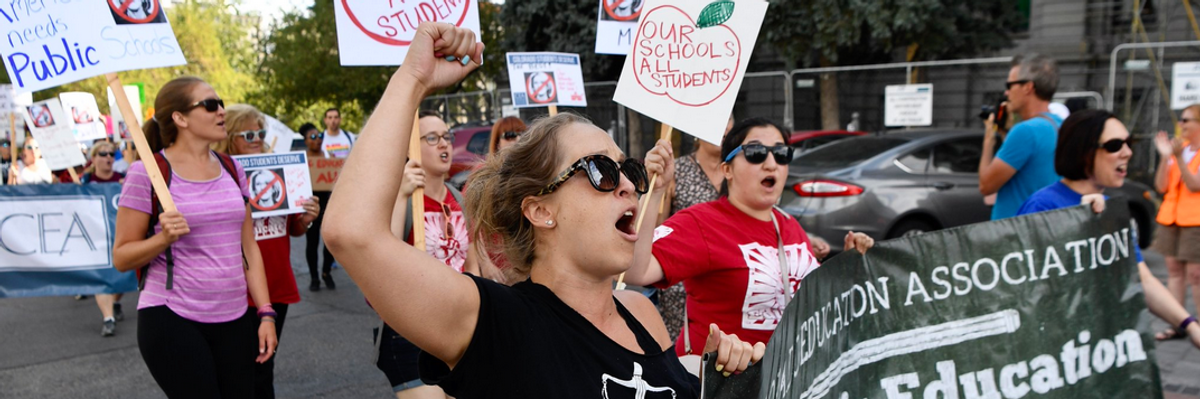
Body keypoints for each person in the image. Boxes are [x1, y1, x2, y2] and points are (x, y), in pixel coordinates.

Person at [324, 23, 763, 398]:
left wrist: (718, 379)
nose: (629, 184)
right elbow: (352, 232)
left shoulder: (641, 312)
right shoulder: (497, 322)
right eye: (601, 170)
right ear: (540, 211)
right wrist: (413, 78)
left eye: (627, 168)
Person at [623, 117, 873, 360]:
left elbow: (816, 300)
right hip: (723, 383)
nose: (771, 163)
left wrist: (848, 267)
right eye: (756, 152)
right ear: (727, 170)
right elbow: (635, 272)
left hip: (788, 379)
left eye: (781, 153)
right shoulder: (701, 222)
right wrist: (655, 192)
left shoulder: (789, 225)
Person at [111, 76, 277, 398]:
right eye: (211, 105)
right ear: (180, 118)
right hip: (172, 316)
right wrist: (163, 239)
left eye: (221, 104)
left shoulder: (232, 168)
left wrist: (265, 312)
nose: (221, 112)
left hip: (234, 316)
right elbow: (121, 257)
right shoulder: (148, 172)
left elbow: (249, 249)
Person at [1015, 109, 1200, 349]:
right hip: (1055, 350)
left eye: (1128, 143)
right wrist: (1076, 222)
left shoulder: (1112, 210)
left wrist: (1190, 326)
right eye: (1114, 145)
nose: (1128, 152)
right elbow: (1024, 286)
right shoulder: (1043, 205)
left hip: (1099, 348)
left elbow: (1141, 277)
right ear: (1084, 151)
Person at [375, 110, 483, 398]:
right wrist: (401, 195)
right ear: (412, 148)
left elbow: (471, 263)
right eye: (432, 138)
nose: (444, 144)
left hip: (456, 325)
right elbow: (385, 253)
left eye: (446, 137)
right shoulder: (400, 197)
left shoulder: (458, 198)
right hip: (411, 329)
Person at [218, 104, 320, 399]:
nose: (256, 139)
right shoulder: (220, 175)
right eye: (247, 133)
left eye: (260, 133)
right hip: (236, 289)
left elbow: (293, 229)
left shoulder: (279, 171)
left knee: (264, 366)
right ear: (229, 138)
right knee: (240, 369)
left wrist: (306, 219)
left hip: (277, 285)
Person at [979, 53, 1063, 220]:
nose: (1006, 92)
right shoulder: (1061, 125)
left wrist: (989, 140)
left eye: (1010, 85)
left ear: (1028, 87)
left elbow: (986, 186)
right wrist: (1005, 134)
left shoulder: (1025, 131)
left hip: (1014, 233)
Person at [1151, 103, 1200, 340]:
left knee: (1196, 274)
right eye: (1181, 120)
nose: (1181, 125)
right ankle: (1178, 323)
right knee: (1174, 271)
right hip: (1171, 218)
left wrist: (1178, 158)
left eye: (1187, 120)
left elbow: (1194, 184)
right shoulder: (1178, 151)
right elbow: (1160, 186)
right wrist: (1165, 158)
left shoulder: (1191, 154)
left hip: (1195, 219)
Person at [79, 141, 128, 336]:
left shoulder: (123, 179)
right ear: (94, 158)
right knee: (102, 278)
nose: (108, 157)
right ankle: (108, 318)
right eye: (103, 154)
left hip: (120, 234)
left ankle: (115, 303)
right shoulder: (85, 181)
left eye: (111, 154)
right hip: (95, 237)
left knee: (121, 275)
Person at [300, 122, 338, 291]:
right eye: (313, 137)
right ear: (306, 141)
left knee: (330, 242)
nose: (318, 140)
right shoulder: (302, 161)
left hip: (329, 205)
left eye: (320, 136)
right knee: (312, 242)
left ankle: (326, 272)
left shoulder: (330, 157)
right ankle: (314, 277)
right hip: (312, 207)